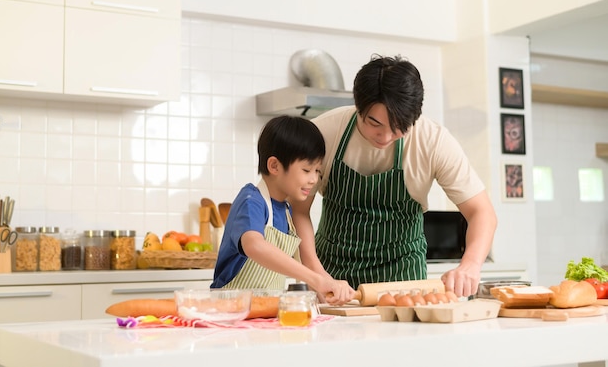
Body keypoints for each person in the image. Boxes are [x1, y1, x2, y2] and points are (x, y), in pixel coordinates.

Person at [290, 54, 497, 297]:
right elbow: (298, 210)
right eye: (374, 123)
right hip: (333, 275)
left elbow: (482, 212)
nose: (385, 136)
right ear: (359, 107)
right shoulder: (324, 133)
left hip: (403, 279)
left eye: (399, 127)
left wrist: (470, 265)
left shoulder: (433, 141)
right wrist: (317, 275)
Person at [211, 115, 355, 304]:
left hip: (264, 315)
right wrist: (315, 280)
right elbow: (255, 245)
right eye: (306, 170)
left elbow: (308, 262)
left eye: (317, 171)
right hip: (230, 312)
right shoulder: (251, 201)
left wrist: (332, 285)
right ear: (274, 166)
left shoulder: (287, 211)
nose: (314, 179)